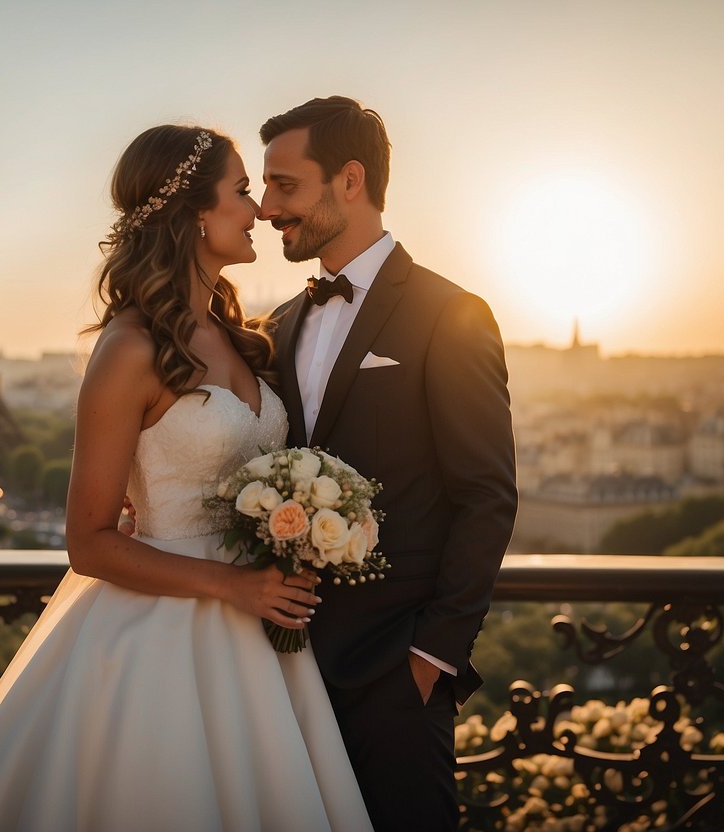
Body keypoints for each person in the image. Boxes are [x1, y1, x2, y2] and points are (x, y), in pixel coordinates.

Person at [0, 125, 374, 832]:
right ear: (193, 213)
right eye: (243, 191)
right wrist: (234, 585)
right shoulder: (128, 349)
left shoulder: (243, 336)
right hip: (166, 639)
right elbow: (88, 542)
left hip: (257, 632)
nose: (260, 210)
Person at [258, 96, 518, 832]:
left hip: (392, 674)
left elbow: (486, 496)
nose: (266, 208)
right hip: (277, 668)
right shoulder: (277, 324)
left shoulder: (449, 312)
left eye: (284, 185)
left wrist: (429, 660)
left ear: (348, 180)